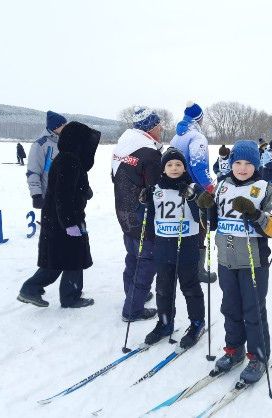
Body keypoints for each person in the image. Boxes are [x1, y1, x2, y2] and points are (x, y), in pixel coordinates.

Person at [196, 140, 272, 384]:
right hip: (226, 260)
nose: (242, 168)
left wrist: (255, 214)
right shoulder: (222, 186)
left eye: (248, 163)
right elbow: (210, 225)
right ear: (231, 163)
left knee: (253, 310)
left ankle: (258, 356)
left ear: (256, 165)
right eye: (237, 163)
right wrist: (205, 211)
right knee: (230, 308)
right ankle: (234, 350)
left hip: (253, 262)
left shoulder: (264, 188)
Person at [17, 122, 100, 308]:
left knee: (63, 259)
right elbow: (62, 195)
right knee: (67, 260)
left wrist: (84, 190)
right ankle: (39, 290)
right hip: (63, 220)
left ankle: (65, 294)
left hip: (59, 219)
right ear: (77, 142)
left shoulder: (69, 159)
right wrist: (70, 224)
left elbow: (70, 188)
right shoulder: (68, 161)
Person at [143, 148, 206, 348]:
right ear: (163, 169)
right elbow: (151, 216)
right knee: (163, 289)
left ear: (184, 167)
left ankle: (197, 323)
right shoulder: (156, 189)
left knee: (190, 287)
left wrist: (193, 198)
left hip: (186, 245)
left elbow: (204, 217)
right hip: (163, 246)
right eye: (169, 165)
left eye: (178, 164)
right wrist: (144, 201)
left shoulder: (194, 187)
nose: (174, 168)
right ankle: (164, 322)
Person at [112, 107, 163, 321]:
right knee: (146, 261)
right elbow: (155, 188)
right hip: (142, 214)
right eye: (159, 124)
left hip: (124, 211)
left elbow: (114, 177)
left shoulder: (123, 146)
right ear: (150, 127)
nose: (162, 128)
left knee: (133, 256)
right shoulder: (149, 152)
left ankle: (132, 294)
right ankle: (133, 308)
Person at [170, 101, 217, 284]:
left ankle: (180, 267)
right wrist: (209, 187)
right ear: (199, 118)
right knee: (200, 229)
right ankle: (198, 271)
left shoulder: (175, 138)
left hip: (179, 190)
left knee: (184, 228)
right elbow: (198, 165)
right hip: (195, 191)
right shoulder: (197, 137)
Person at [26, 111, 67, 209]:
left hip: (66, 195)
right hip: (49, 196)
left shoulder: (66, 143)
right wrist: (36, 195)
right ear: (56, 127)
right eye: (63, 125)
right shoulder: (40, 145)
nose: (66, 127)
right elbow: (33, 172)